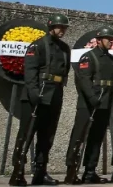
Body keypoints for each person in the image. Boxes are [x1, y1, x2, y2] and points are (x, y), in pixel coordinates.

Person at [11, 13, 72, 186]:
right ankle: (17, 172)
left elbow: (64, 71)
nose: (63, 30)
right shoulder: (38, 45)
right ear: (51, 26)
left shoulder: (65, 48)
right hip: (37, 94)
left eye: (65, 27)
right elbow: (30, 72)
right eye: (60, 27)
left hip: (55, 94)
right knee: (26, 134)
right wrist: (34, 93)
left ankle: (40, 172)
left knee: (47, 136)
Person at [66, 26, 113, 183]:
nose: (110, 41)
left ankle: (90, 171)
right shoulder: (88, 57)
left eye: (111, 39)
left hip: (104, 104)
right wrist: (92, 98)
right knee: (79, 137)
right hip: (88, 104)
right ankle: (71, 170)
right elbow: (84, 80)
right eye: (107, 39)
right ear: (98, 40)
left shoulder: (111, 59)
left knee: (96, 138)